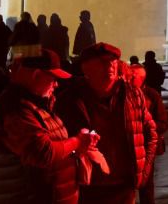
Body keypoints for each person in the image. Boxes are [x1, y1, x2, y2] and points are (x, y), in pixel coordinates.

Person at [54, 43, 160, 204]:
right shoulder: (69, 99)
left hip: (123, 185)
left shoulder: (132, 94)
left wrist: (144, 171)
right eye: (103, 62)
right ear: (86, 68)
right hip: (87, 186)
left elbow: (150, 133)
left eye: (113, 61)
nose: (110, 65)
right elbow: (59, 142)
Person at [0, 50, 96, 204]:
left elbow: (54, 144)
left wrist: (79, 145)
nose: (56, 84)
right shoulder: (16, 108)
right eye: (53, 78)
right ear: (36, 75)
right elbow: (43, 153)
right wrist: (78, 141)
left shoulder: (39, 105)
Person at [127, 64, 168, 204]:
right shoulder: (123, 93)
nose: (128, 78)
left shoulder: (151, 95)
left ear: (141, 78)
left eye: (133, 76)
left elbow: (163, 122)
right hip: (127, 146)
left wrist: (144, 128)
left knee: (146, 184)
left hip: (145, 147)